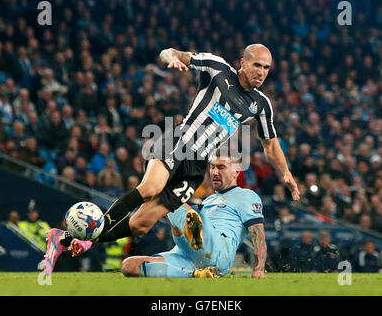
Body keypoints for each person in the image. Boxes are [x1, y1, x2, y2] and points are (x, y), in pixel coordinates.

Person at [42, 44, 299, 275]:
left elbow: (270, 143)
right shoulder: (218, 68)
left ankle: (64, 239)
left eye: (267, 68)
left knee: (141, 225)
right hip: (178, 141)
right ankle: (88, 232)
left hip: (196, 167)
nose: (262, 72)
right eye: (257, 65)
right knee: (150, 188)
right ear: (242, 62)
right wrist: (172, 58)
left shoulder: (261, 105)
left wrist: (286, 173)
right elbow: (173, 53)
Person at [45, 152, 268, 278]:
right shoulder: (209, 200)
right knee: (129, 267)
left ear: (237, 171)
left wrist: (259, 268)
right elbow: (145, 219)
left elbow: (258, 233)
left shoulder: (246, 196)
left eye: (221, 167)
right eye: (212, 167)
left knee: (173, 200)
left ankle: (94, 233)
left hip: (220, 250)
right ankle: (199, 274)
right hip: (188, 255)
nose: (214, 172)